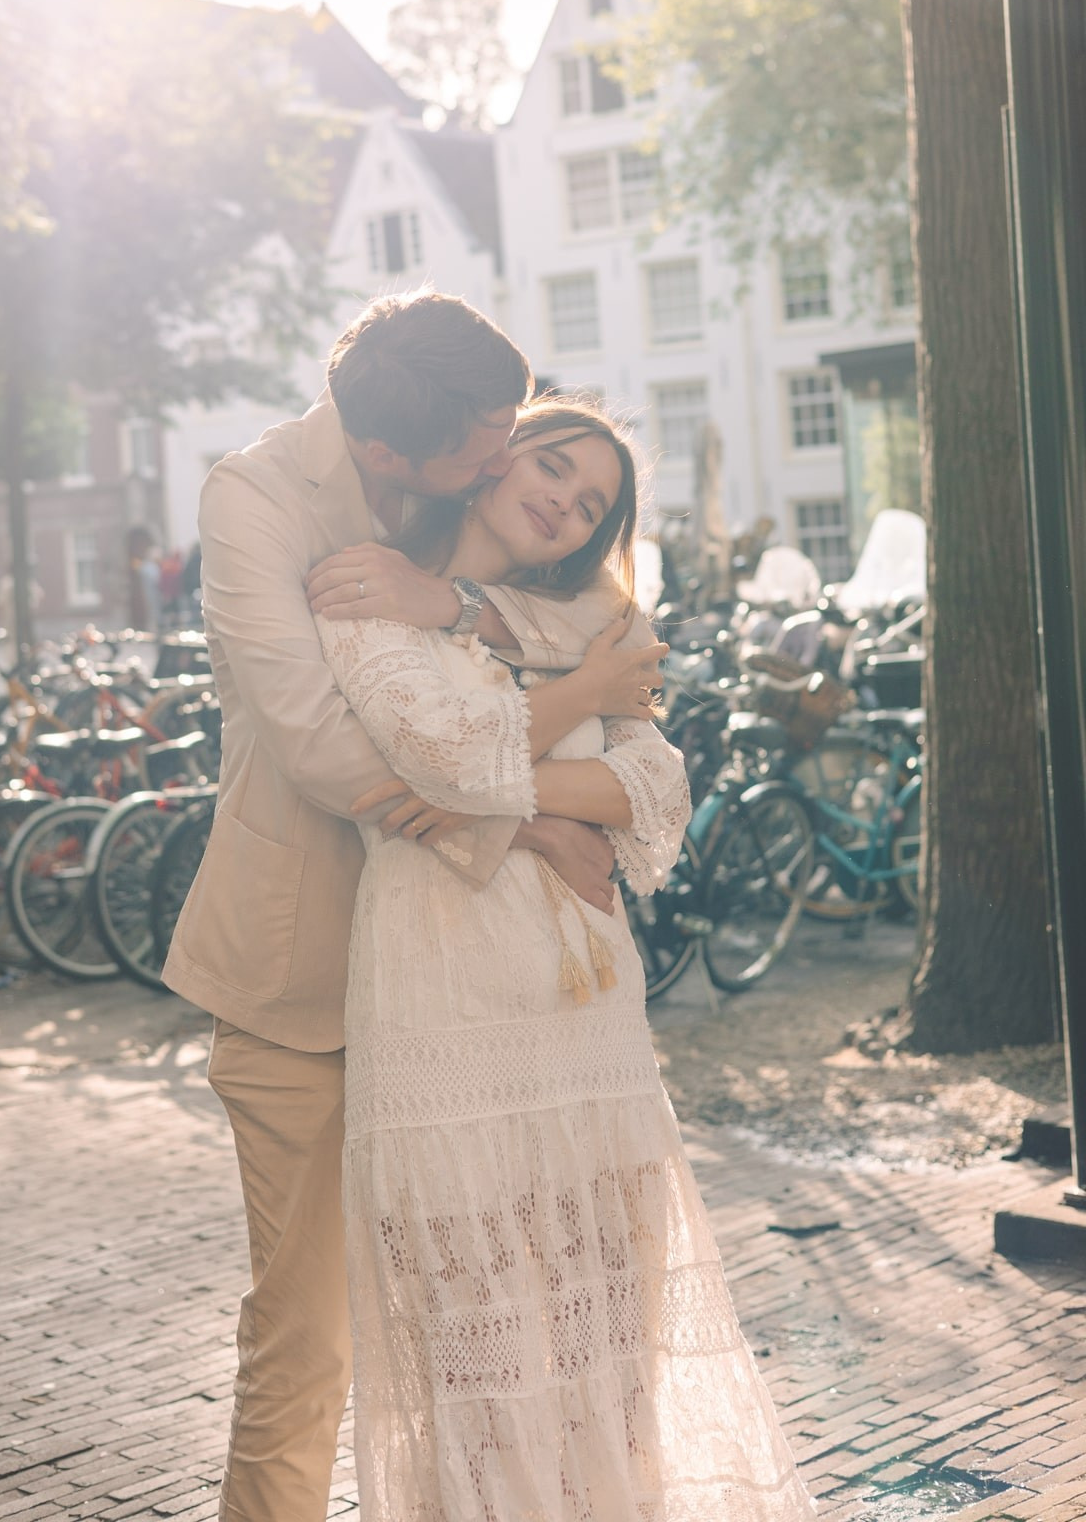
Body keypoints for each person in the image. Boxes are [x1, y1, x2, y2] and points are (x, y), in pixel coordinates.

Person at [163, 294, 661, 1522]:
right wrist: (534, 817)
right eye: (490, 447)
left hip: (477, 1003)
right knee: (308, 1342)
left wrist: (468, 616)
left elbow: (593, 654)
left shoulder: (468, 481)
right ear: (390, 458)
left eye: (515, 430)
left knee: (504, 1338)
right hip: (306, 984)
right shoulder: (261, 501)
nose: (509, 459)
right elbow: (324, 745)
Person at [315, 396, 816, 1520]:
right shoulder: (369, 589)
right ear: (489, 461)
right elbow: (436, 750)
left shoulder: (596, 615)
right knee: (479, 1366)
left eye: (589, 500)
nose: (562, 500)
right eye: (550, 465)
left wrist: (493, 793)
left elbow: (658, 793)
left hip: (587, 1025)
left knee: (611, 1341)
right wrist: (572, 731)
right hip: (445, 1013)